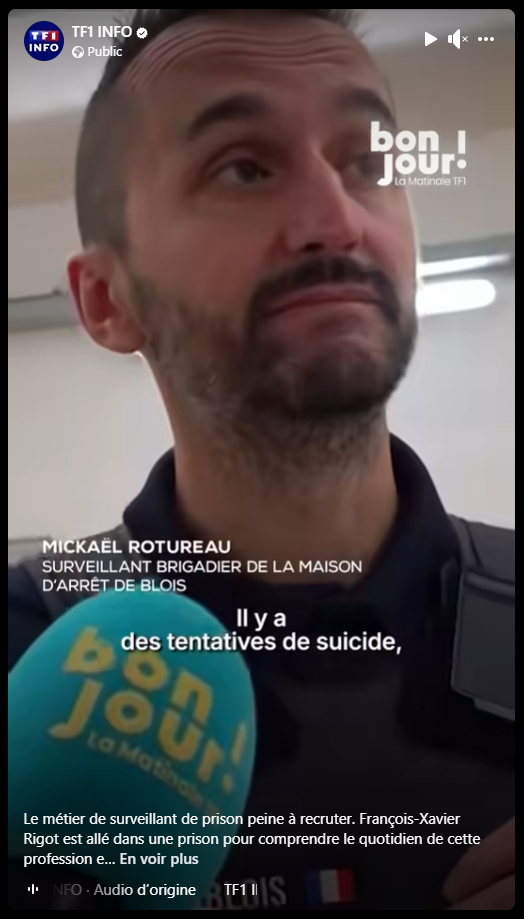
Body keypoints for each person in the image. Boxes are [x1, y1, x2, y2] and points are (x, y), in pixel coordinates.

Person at [8, 9, 514, 911]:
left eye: (369, 162)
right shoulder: (22, 650)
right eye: (243, 167)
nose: (337, 220)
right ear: (108, 299)